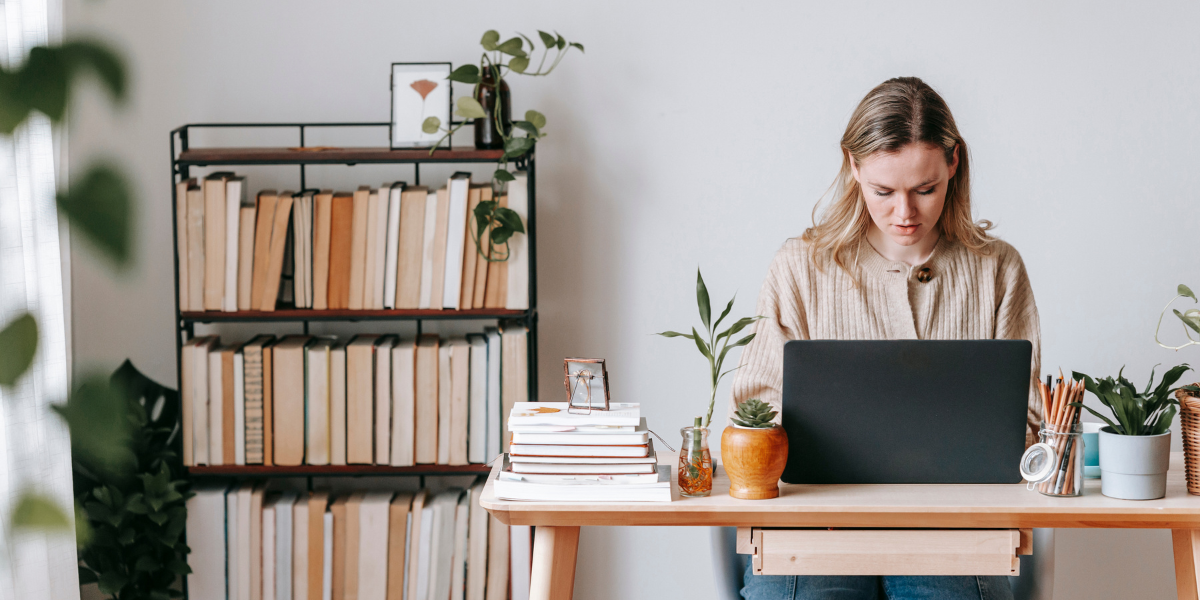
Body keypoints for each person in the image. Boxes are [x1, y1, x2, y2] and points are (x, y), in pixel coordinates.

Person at [731, 76, 1042, 600]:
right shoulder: (799, 266)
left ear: (953, 164)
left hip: (955, 534)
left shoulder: (997, 268)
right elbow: (756, 408)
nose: (905, 214)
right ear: (853, 167)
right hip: (814, 531)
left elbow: (1028, 421)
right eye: (883, 191)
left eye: (925, 190)